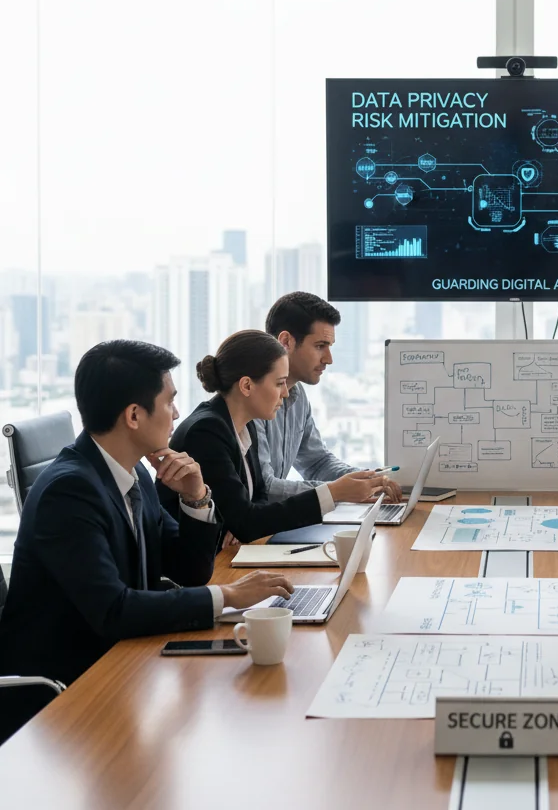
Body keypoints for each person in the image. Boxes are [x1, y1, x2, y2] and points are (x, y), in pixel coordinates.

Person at [0, 341, 293, 742]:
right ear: (134, 415)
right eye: (170, 402)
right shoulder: (68, 492)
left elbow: (189, 571)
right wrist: (229, 595)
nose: (176, 415)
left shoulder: (133, 475)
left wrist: (196, 497)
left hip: (122, 666)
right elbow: (113, 610)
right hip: (63, 700)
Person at [162, 330, 396, 545]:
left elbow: (259, 499)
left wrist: (243, 522)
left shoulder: (245, 424)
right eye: (279, 383)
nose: (285, 393)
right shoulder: (207, 431)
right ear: (246, 386)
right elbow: (246, 521)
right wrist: (333, 493)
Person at [254, 292, 401, 504]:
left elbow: (317, 463)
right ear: (286, 342)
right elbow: (264, 488)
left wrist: (369, 480)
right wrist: (336, 491)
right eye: (320, 346)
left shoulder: (298, 396)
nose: (328, 359)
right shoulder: (253, 398)